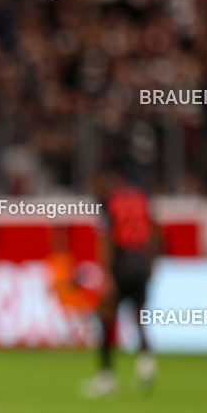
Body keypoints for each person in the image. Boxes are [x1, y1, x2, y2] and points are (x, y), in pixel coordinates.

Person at [82, 170, 158, 397]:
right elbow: (154, 234)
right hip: (141, 262)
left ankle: (106, 378)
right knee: (140, 318)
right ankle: (146, 366)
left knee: (105, 318)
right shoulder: (141, 198)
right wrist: (151, 266)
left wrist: (107, 275)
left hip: (122, 263)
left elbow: (106, 239)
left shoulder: (109, 202)